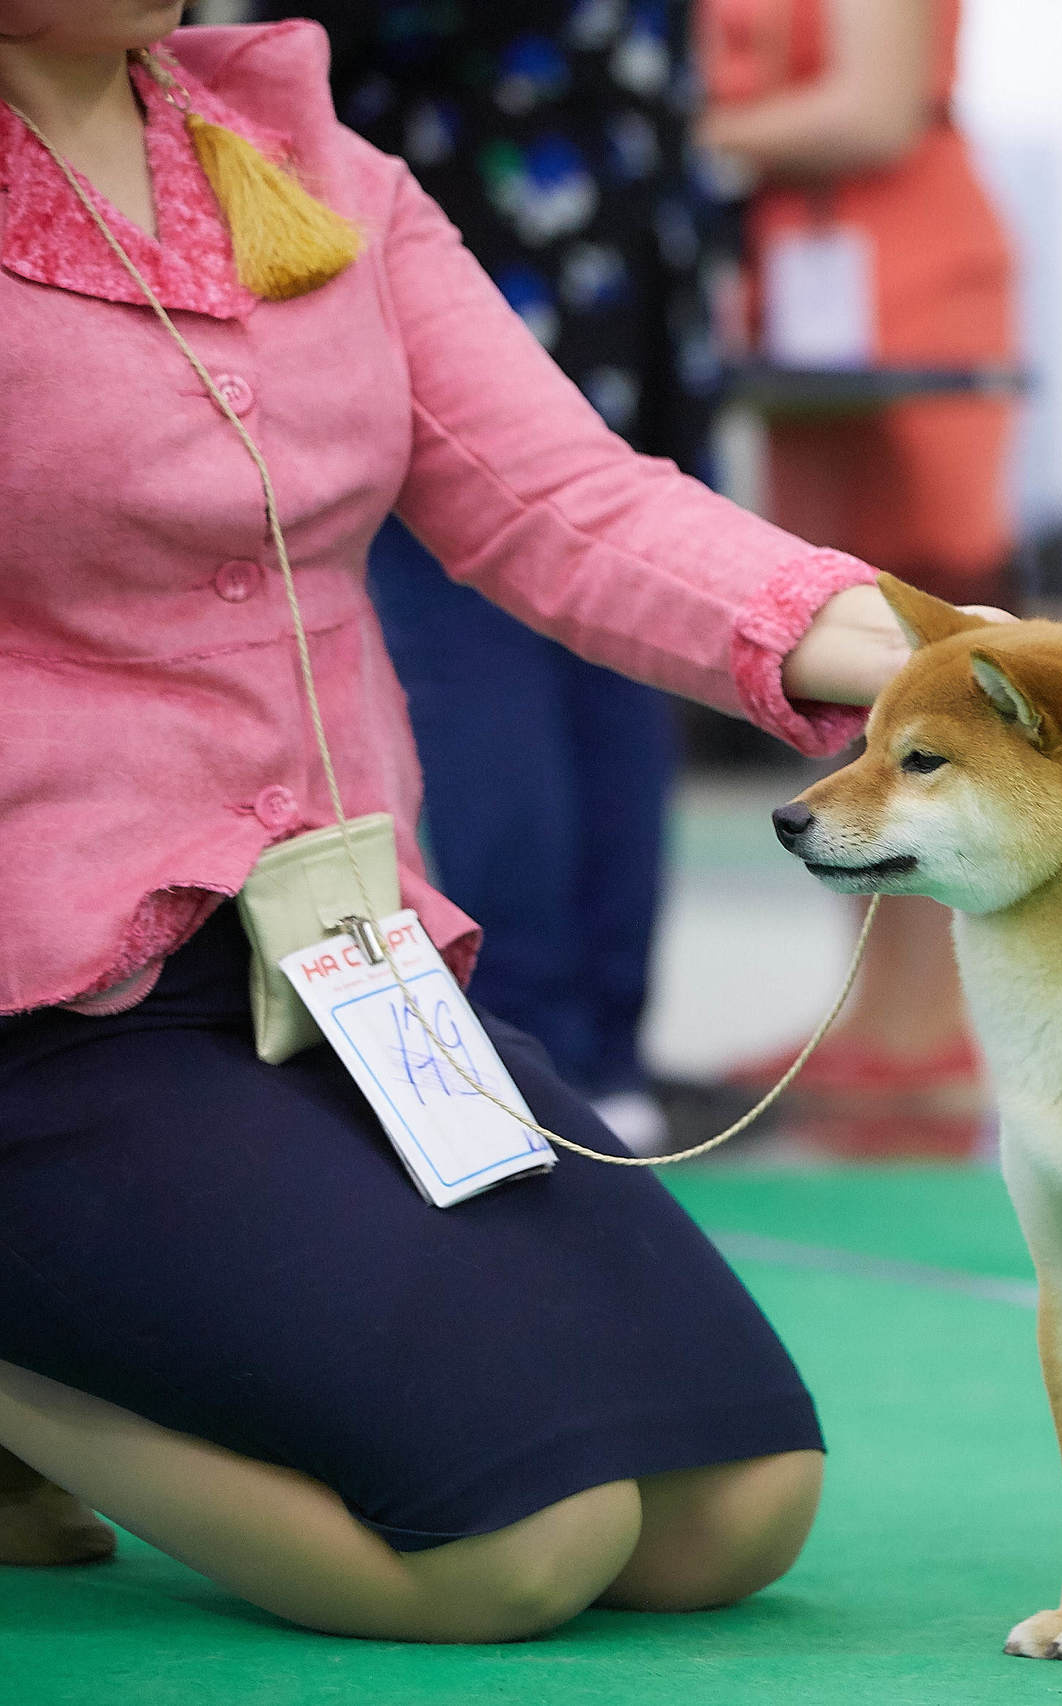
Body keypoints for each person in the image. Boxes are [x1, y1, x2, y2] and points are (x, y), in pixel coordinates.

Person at [0, 7, 944, 1640]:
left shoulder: (316, 165)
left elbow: (567, 500)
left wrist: (923, 649)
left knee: (736, 1507)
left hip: (335, 963)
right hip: (46, 1006)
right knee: (509, 1546)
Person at [260, 0, 730, 1152]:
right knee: (615, 654)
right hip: (630, 264)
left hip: (485, 241)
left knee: (484, 665)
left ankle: (538, 1053)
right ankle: (601, 1053)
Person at [697, 0, 1012, 1132]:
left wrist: (684, 133)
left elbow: (872, 111)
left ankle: (926, 1024)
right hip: (807, 280)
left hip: (908, 284)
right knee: (845, 655)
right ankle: (882, 1015)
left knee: (916, 648)